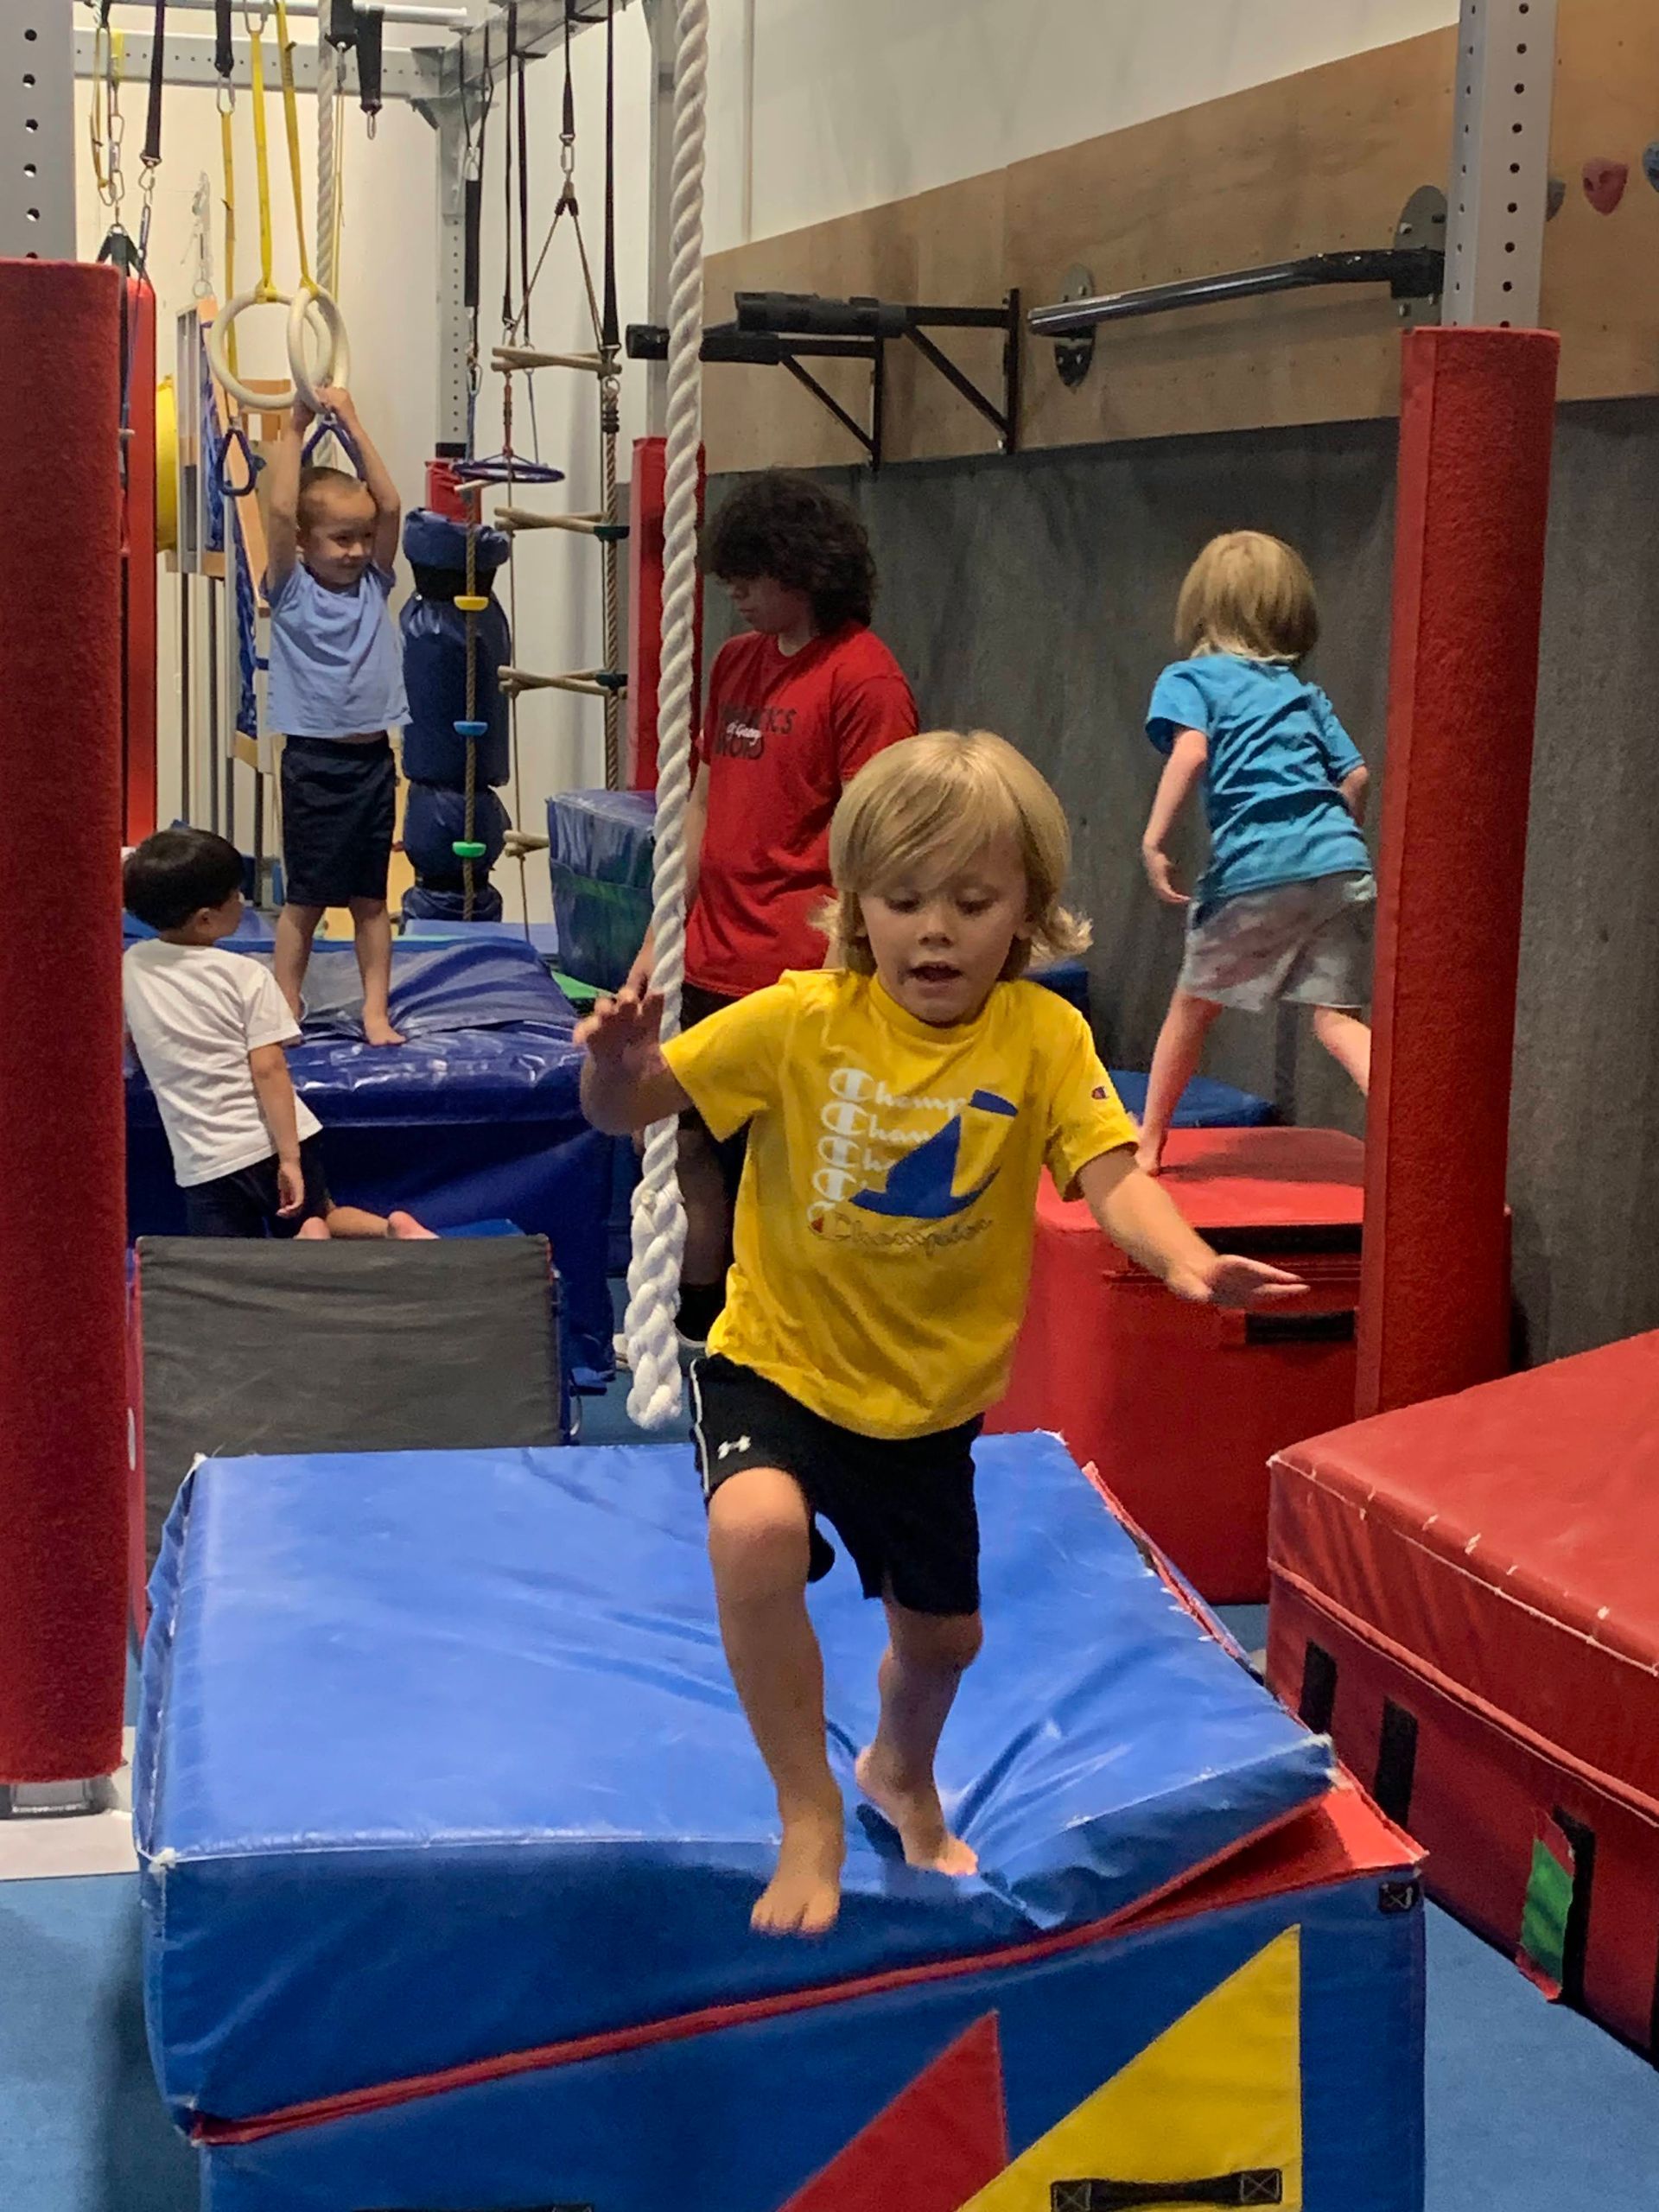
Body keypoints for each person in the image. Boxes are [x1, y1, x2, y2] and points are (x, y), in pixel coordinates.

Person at [580, 730, 1304, 1938]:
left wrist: (1183, 1256)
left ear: (1027, 910)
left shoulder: (1039, 1038)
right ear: (855, 906)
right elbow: (631, 1110)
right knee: (753, 1531)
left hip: (926, 1406)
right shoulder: (795, 1020)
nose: (934, 931)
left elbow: (1110, 1173)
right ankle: (808, 1810)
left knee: (943, 1641)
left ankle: (898, 1772)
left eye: (972, 902)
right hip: (780, 1359)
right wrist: (614, 1066)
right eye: (904, 899)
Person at [625, 471, 918, 1347]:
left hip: (793, 963)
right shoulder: (735, 662)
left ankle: (780, 1326)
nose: (738, 596)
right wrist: (659, 934)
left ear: (800, 571)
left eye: (749, 579)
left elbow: (879, 839)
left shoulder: (865, 681)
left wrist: (845, 965)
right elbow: (703, 803)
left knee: (778, 1169)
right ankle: (699, 1320)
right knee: (690, 1150)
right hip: (712, 951)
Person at [1135, 530, 1374, 1173]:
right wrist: (1331, 841)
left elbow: (1192, 751)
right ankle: (1411, 1137)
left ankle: (1150, 1140)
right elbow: (1355, 777)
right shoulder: (1302, 693)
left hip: (1255, 869)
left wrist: (1155, 840)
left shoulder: (1190, 679)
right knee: (1337, 1022)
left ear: (1203, 609)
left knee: (1193, 1003)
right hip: (1341, 863)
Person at [124, 829, 433, 1243]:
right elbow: (269, 1068)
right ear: (205, 919)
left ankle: (312, 1236)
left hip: (207, 1158)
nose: (243, 901)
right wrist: (289, 1157)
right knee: (323, 1212)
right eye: (234, 894)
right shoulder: (245, 975)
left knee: (228, 1258)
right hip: (270, 1141)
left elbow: (132, 1038)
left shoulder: (133, 964)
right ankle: (388, 1229)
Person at [265, 384, 409, 1047]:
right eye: (339, 539)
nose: (355, 550)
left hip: (372, 760)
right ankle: (285, 1004)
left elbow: (391, 503)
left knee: (372, 899)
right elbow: (276, 507)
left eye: (362, 539)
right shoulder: (289, 589)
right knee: (305, 897)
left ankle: (375, 1011)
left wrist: (351, 420)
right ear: (303, 540)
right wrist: (294, 430)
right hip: (314, 763)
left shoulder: (375, 585)